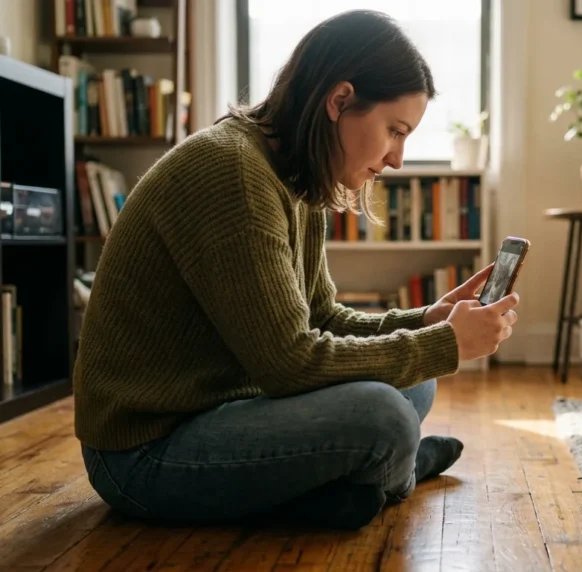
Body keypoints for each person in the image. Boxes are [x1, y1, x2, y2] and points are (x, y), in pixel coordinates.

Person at [72, 9, 519, 531]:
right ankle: (396, 470)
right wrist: (446, 344)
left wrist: (428, 323)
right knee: (386, 416)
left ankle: (362, 477)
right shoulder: (233, 172)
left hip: (224, 406)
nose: (397, 158)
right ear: (340, 101)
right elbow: (288, 363)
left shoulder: (294, 175)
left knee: (416, 385)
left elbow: (321, 318)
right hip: (143, 451)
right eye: (394, 131)